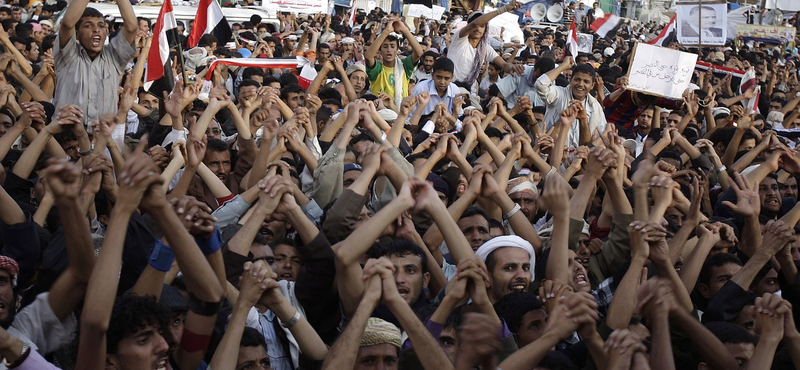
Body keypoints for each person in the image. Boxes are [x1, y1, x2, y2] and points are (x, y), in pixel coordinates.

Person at [53, 0, 138, 127]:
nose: (96, 30)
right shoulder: (67, 55)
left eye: (101, 26)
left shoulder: (114, 57)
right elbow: (67, 23)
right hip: (66, 138)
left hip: (102, 140)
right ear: (76, 35)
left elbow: (131, 28)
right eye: (88, 26)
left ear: (107, 32)